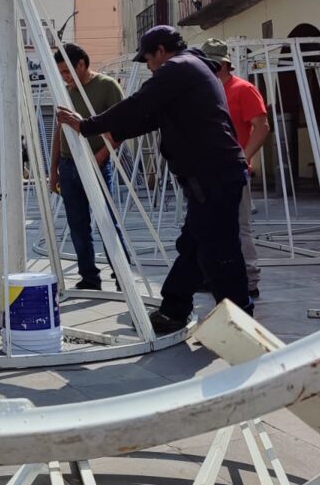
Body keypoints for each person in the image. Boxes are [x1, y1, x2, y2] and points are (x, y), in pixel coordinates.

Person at [55, 25, 251, 334]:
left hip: (212, 173)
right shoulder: (191, 68)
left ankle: (241, 320)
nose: (148, 66)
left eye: (148, 59)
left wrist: (88, 126)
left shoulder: (177, 68)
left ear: (161, 50)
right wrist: (112, 133)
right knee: (194, 245)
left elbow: (139, 105)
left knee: (219, 251)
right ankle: (174, 309)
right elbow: (151, 118)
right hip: (213, 173)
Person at [48, 42, 124, 290]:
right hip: (69, 168)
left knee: (106, 223)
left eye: (68, 71)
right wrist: (53, 170)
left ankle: (121, 274)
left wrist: (99, 158)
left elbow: (120, 129)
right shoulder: (65, 92)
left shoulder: (106, 86)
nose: (65, 77)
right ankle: (89, 278)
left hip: (97, 165)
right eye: (61, 73)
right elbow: (58, 131)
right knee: (77, 225)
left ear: (82, 63)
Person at [204, 39, 269, 300]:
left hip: (232, 171)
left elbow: (262, 126)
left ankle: (250, 279)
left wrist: (244, 157)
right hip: (207, 171)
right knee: (211, 227)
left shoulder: (243, 89)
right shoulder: (207, 90)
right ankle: (218, 275)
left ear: (221, 64)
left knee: (239, 226)